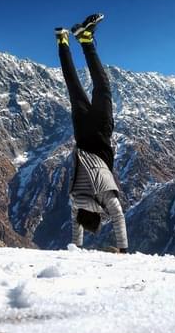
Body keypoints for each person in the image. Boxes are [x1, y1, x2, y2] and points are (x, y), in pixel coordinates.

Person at [55, 14, 128, 253]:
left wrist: (123, 249)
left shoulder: (104, 197)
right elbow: (76, 227)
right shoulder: (76, 200)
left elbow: (118, 215)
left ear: (97, 215)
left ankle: (85, 40)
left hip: (101, 131)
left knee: (102, 86)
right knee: (73, 85)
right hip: (82, 134)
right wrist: (76, 246)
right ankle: (62, 41)